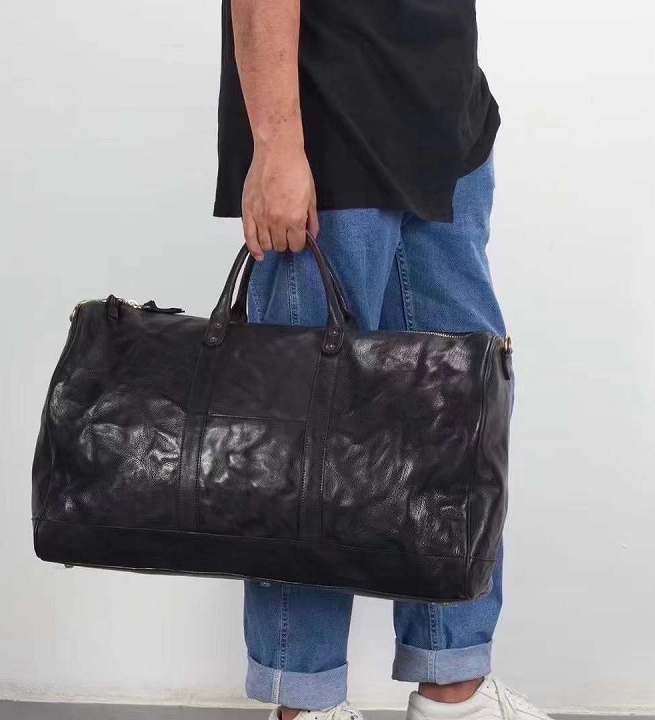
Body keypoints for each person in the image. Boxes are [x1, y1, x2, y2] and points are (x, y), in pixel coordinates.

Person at [214, 3, 551, 720]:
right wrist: (275, 144)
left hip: (446, 126)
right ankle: (304, 701)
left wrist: (467, 107)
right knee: (303, 431)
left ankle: (453, 687)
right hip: (329, 129)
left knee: (460, 411)